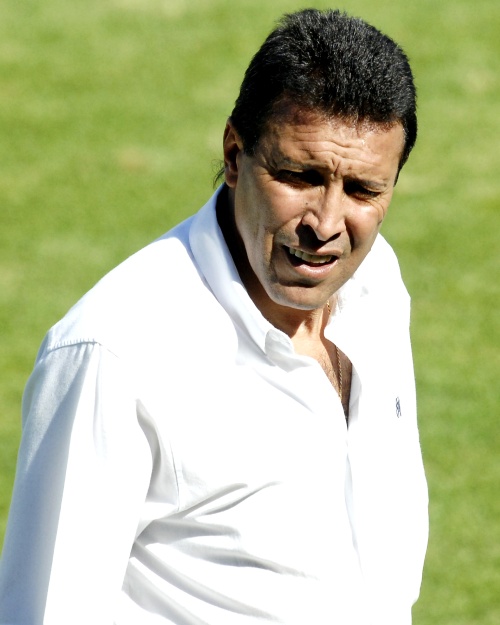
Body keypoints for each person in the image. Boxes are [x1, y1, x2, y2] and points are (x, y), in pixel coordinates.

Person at [0, 8, 428, 625]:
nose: (327, 224)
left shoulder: (377, 283)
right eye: (299, 177)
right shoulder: (113, 355)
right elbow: (48, 610)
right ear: (233, 154)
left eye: (363, 190)